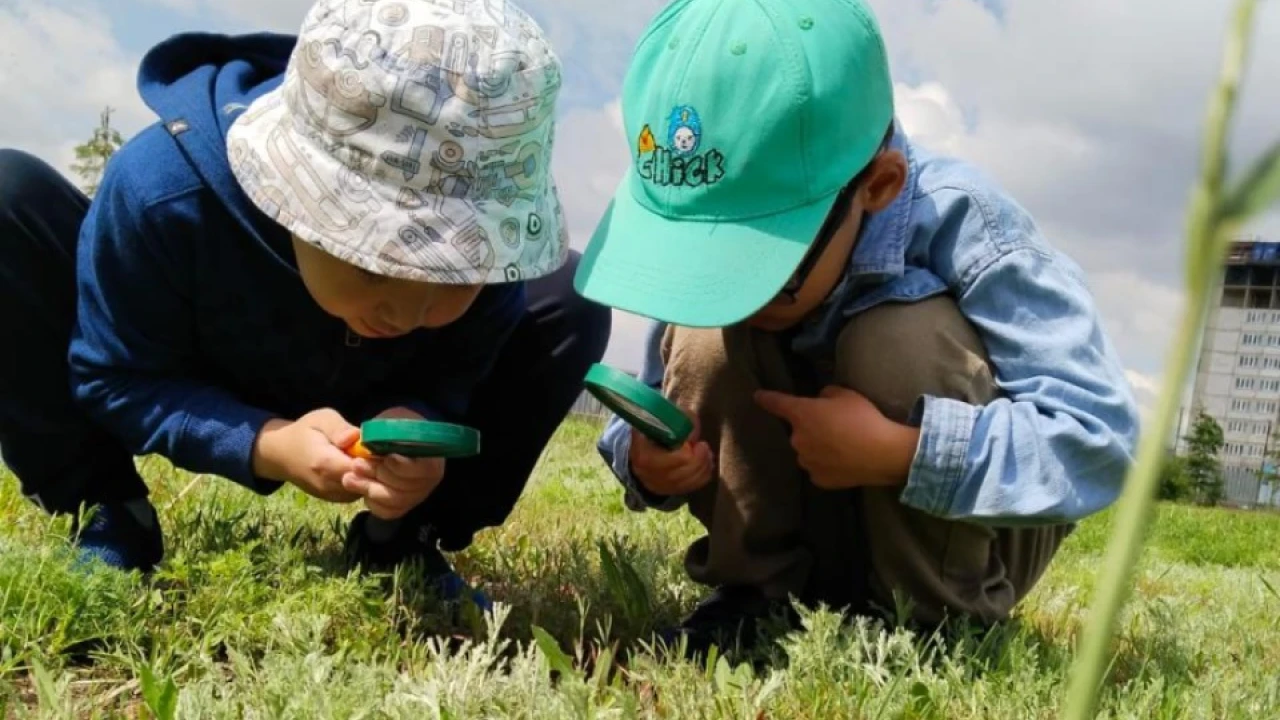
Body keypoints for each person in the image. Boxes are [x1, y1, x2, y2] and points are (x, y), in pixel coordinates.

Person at [0, 0, 610, 609]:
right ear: (290, 186)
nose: (405, 309)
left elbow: (458, 373)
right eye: (377, 259)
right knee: (9, 197)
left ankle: (401, 536)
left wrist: (419, 422)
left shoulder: (493, 270)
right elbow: (113, 377)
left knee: (569, 295)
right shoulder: (165, 191)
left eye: (452, 273)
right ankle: (106, 508)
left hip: (367, 392)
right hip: (204, 358)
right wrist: (262, 442)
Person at [574, 0, 1140, 651]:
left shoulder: (968, 222)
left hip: (949, 545)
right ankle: (756, 598)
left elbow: (1099, 441)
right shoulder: (732, 235)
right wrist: (646, 460)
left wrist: (902, 453)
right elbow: (658, 393)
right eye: (710, 272)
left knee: (897, 341)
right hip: (804, 523)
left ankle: (931, 624)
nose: (741, 304)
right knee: (703, 340)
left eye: (764, 272)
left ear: (878, 186)